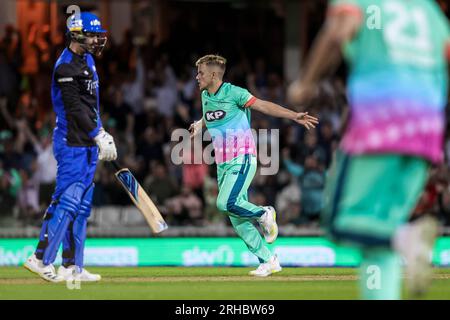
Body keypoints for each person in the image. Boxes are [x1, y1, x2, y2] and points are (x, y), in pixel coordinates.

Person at [288, 0, 449, 299]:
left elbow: (338, 33)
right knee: (378, 237)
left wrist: (305, 84)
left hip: (381, 123)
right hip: (427, 129)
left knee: (338, 224)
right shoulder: (429, 12)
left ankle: (407, 239)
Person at [190, 54, 318, 276]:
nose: (196, 76)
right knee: (237, 220)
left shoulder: (235, 93)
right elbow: (209, 115)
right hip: (222, 164)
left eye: (200, 72)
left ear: (212, 74)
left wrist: (293, 116)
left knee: (225, 203)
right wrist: (199, 125)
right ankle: (269, 261)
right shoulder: (205, 96)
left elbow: (263, 106)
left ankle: (264, 212)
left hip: (242, 158)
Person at [23, 12, 117, 282]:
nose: (97, 39)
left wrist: (100, 131)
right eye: (92, 34)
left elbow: (90, 105)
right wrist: (97, 133)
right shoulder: (65, 67)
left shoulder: (86, 59)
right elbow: (75, 109)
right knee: (67, 201)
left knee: (81, 206)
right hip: (71, 142)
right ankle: (40, 258)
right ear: (76, 35)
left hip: (87, 140)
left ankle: (72, 266)